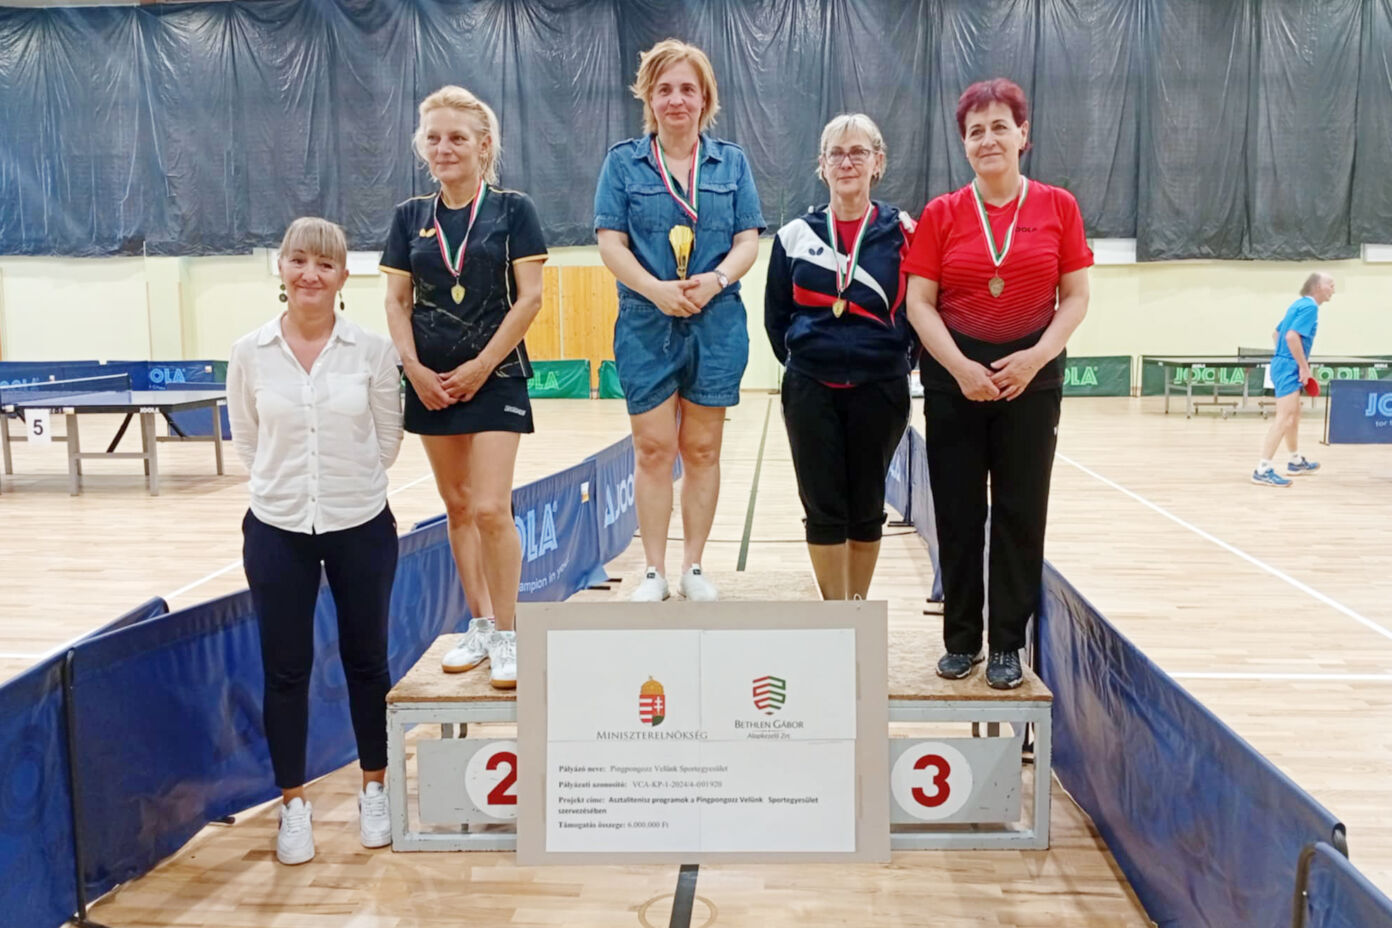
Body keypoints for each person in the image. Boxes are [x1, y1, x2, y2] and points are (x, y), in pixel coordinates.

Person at [903, 78, 1092, 689]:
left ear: (1022, 135)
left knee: (1020, 512)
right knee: (957, 512)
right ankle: (961, 640)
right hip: (954, 380)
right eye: (975, 130)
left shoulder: (1058, 207)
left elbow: (1075, 296)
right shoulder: (942, 213)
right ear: (964, 142)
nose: (988, 139)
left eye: (999, 127)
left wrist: (1035, 358)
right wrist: (960, 368)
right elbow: (919, 303)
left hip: (1030, 381)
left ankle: (1007, 643)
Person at [226, 217, 404, 865]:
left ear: (343, 277)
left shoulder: (372, 351)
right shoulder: (249, 353)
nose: (310, 274)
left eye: (325, 264)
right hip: (277, 529)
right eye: (299, 260)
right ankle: (293, 804)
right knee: (285, 670)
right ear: (281, 267)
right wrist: (291, 491)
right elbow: (249, 441)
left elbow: (387, 440)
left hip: (361, 525)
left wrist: (341, 490)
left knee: (367, 662)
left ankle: (375, 790)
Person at [380, 86, 548, 686]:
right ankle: (479, 625)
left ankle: (507, 632)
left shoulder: (513, 210)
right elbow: (397, 302)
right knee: (456, 506)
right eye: (433, 138)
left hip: (495, 376)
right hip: (432, 382)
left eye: (457, 137)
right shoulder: (409, 217)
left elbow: (530, 298)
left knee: (490, 506)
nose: (444, 147)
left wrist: (482, 365)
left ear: (484, 145)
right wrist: (413, 369)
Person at [594, 39, 765, 603]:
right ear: (648, 96)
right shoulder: (622, 163)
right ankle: (653, 570)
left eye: (687, 89)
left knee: (703, 449)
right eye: (664, 89)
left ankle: (693, 566)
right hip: (646, 322)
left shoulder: (732, 163)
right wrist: (655, 290)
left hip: (716, 321)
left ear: (704, 98)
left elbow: (747, 241)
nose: (676, 99)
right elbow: (611, 243)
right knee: (652, 449)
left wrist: (716, 280)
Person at [765, 113, 916, 600]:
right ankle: (835, 613)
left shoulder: (904, 231)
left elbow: (921, 309)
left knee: (867, 504)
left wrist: (895, 361)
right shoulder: (794, 236)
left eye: (858, 153)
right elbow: (776, 318)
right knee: (822, 506)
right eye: (837, 154)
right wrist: (809, 362)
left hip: (880, 387)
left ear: (878, 162)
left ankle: (857, 609)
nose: (847, 163)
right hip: (811, 388)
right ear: (822, 165)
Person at [1252, 273, 1335, 487]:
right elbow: (1290, 336)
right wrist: (1302, 366)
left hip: (1284, 363)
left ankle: (1295, 461)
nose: (1333, 289)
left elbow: (1277, 334)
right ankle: (1262, 469)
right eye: (1330, 284)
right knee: (1285, 417)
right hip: (1288, 367)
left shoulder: (1298, 304)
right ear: (1317, 287)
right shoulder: (1310, 307)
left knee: (1294, 415)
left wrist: (1285, 357)